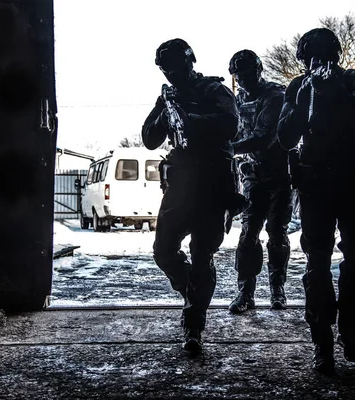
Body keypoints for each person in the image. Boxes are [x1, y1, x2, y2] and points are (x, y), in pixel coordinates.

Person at [277, 28, 355, 375]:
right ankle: (322, 341)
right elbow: (286, 136)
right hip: (316, 184)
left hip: (354, 182)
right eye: (308, 58)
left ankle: (349, 329)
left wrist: (332, 88)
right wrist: (307, 93)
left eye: (320, 55)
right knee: (317, 265)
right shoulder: (297, 87)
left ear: (334, 55)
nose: (314, 62)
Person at [142, 38, 245, 354]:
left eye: (175, 66)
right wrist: (164, 112)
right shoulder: (168, 96)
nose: (171, 73)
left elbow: (231, 124)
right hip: (180, 184)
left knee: (202, 256)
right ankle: (192, 293)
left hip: (212, 185)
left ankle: (193, 325)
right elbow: (148, 138)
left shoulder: (213, 91)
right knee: (163, 251)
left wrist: (189, 119)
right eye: (165, 68)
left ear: (190, 61)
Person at [227, 50, 292, 313]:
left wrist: (228, 148)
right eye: (238, 75)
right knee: (248, 234)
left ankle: (277, 289)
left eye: (246, 73)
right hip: (253, 175)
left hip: (278, 174)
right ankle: (246, 292)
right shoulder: (237, 99)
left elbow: (263, 136)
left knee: (277, 233)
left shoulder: (275, 96)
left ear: (258, 70)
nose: (242, 79)